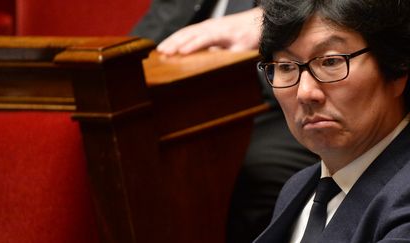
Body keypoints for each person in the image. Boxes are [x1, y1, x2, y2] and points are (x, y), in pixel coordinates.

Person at [131, 1, 319, 242]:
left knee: (249, 176)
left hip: (281, 102)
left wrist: (268, 19)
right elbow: (160, 22)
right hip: (184, 96)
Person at [254, 0, 410, 242]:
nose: (305, 93)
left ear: (398, 69)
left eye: (330, 62)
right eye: (286, 66)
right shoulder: (297, 188)